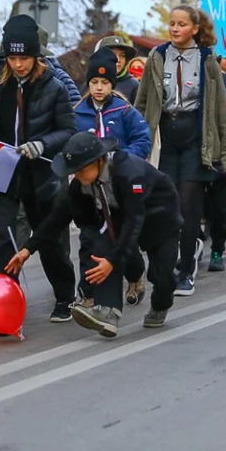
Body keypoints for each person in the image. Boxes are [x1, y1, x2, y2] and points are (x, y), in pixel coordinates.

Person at [0, 15, 78, 323]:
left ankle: (64, 296)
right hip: (1, 168)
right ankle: (1, 304)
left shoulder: (54, 85)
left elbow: (68, 130)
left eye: (25, 57)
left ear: (37, 56)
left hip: (42, 173)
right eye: (13, 57)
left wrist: (42, 144)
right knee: (4, 237)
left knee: (49, 239)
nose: (19, 64)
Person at [6, 132, 181, 337]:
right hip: (119, 219)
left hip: (158, 218)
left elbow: (135, 221)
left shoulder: (129, 172)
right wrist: (28, 248)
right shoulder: (80, 185)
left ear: (99, 161)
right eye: (73, 172)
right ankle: (108, 311)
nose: (77, 176)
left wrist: (113, 260)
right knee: (102, 253)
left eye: (81, 170)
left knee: (161, 276)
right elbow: (57, 218)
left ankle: (161, 304)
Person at [135, 5, 226, 297]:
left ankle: (186, 268)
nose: (175, 29)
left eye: (182, 24)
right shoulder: (157, 57)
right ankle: (170, 258)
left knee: (188, 204)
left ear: (194, 28)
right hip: (165, 137)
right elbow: (143, 103)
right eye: (172, 24)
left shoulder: (207, 60)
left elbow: (220, 111)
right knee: (168, 204)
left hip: (196, 138)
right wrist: (138, 142)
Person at [73, 47, 151, 305]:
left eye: (104, 83)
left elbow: (143, 139)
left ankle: (135, 275)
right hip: (88, 185)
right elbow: (68, 142)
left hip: (117, 184)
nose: (98, 88)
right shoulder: (78, 113)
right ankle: (89, 292)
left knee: (120, 234)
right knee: (88, 237)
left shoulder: (124, 111)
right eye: (94, 82)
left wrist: (121, 160)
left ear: (112, 84)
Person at [95, 34, 140, 103]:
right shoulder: (90, 83)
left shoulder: (134, 85)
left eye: (122, 55)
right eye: (112, 54)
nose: (118, 59)